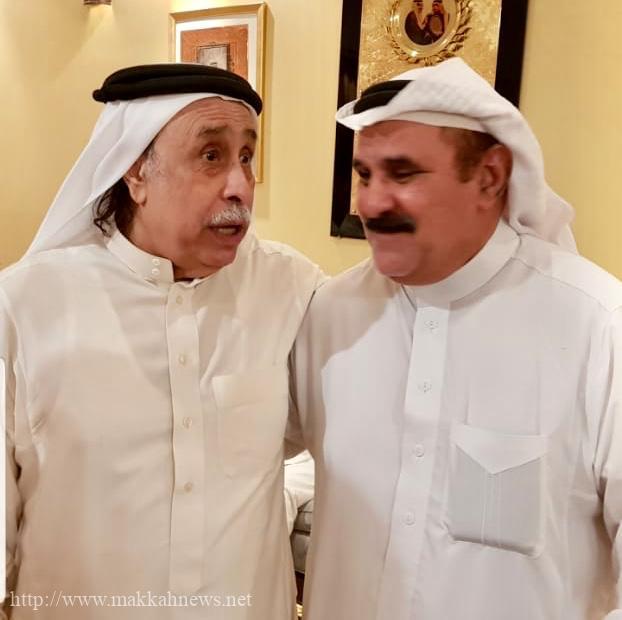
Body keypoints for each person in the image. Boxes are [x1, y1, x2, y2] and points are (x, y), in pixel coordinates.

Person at [291, 58, 622, 619]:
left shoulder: (598, 325)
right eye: (365, 175)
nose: (370, 204)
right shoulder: (330, 314)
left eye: (403, 174)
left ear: (489, 178)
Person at [1, 63, 323, 619]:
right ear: (135, 171)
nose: (240, 185)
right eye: (211, 155)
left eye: (247, 156)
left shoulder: (290, 288)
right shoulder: (25, 305)